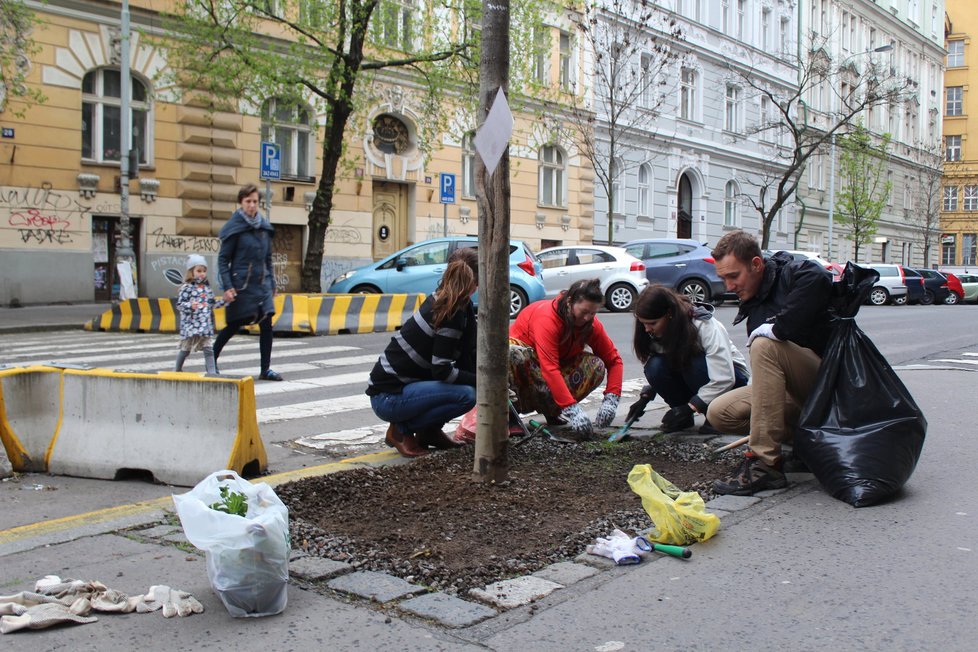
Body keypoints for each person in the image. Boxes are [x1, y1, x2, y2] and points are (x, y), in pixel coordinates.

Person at [707, 230, 833, 495]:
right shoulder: (754, 298)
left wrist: (779, 328)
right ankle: (804, 442)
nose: (729, 286)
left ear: (756, 264)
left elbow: (820, 277)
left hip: (827, 388)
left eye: (734, 276)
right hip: (793, 393)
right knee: (719, 412)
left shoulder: (791, 273)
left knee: (765, 342)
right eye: (723, 278)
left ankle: (765, 464)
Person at [366, 248, 479, 457]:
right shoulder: (450, 312)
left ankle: (429, 432)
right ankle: (400, 432)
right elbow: (442, 370)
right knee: (468, 395)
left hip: (401, 390)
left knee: (470, 388)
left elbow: (467, 354)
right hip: (389, 396)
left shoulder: (455, 303)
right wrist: (482, 380)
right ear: (477, 282)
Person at [508, 278, 624, 439]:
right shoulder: (547, 319)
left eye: (593, 313)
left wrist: (611, 400)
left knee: (596, 365)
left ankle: (553, 411)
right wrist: (572, 409)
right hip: (527, 373)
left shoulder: (591, 325)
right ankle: (509, 416)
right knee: (509, 352)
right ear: (569, 302)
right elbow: (549, 368)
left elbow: (614, 361)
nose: (587, 318)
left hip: (550, 374)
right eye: (584, 312)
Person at [627, 285, 749, 434]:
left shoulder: (704, 324)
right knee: (655, 366)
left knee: (691, 361)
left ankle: (715, 415)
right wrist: (645, 398)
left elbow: (724, 377)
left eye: (652, 323)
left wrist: (691, 406)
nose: (647, 329)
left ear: (669, 314)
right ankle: (681, 417)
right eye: (643, 323)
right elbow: (661, 367)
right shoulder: (654, 332)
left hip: (732, 383)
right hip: (696, 375)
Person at [213, 183, 282, 381]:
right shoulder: (234, 229)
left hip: (261, 285)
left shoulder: (263, 228)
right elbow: (223, 259)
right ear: (241, 203)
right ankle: (212, 362)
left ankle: (265, 369)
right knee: (234, 325)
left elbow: (268, 258)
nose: (252, 205)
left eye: (255, 202)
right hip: (241, 285)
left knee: (267, 325)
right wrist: (227, 287)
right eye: (248, 201)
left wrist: (273, 283)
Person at [174, 254, 225, 374]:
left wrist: (225, 301)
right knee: (185, 349)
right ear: (191, 272)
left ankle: (212, 373)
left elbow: (212, 304)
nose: (202, 273)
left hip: (205, 326)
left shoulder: (206, 289)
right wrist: (190, 306)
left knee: (208, 349)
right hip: (191, 326)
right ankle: (177, 370)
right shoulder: (186, 288)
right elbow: (180, 305)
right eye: (199, 271)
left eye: (204, 271)